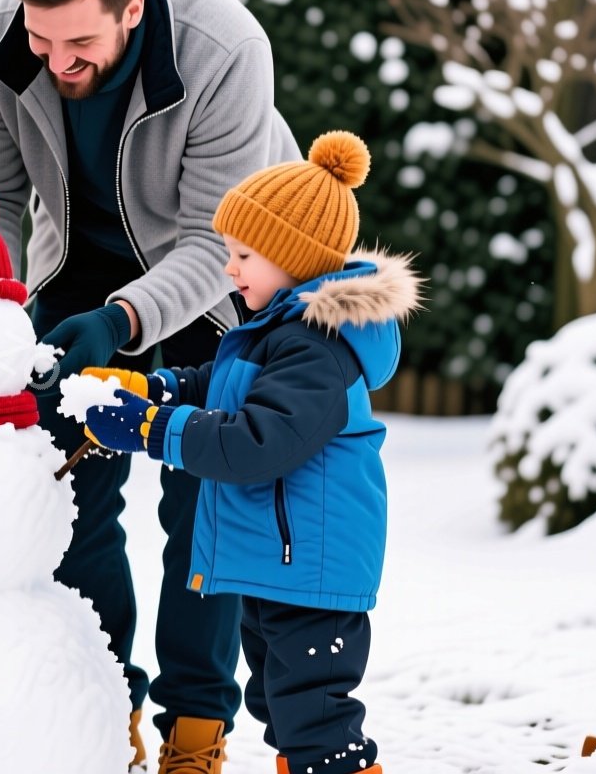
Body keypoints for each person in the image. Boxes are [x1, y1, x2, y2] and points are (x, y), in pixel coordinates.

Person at [0, 0, 301, 769]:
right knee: (64, 505)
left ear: (132, 7)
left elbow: (216, 243)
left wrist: (125, 320)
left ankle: (195, 729)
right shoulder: (2, 32)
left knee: (200, 515)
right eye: (43, 42)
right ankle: (105, 712)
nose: (57, 63)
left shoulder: (224, 49)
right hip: (70, 280)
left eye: (81, 47)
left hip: (213, 290)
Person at [81, 131, 422, 774]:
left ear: (294, 258)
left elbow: (255, 444)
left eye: (243, 255)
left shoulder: (317, 348)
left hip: (311, 570)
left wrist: (153, 429)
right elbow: (221, 383)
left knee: (314, 715)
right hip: (280, 565)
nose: (229, 269)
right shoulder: (278, 332)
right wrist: (155, 387)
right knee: (282, 704)